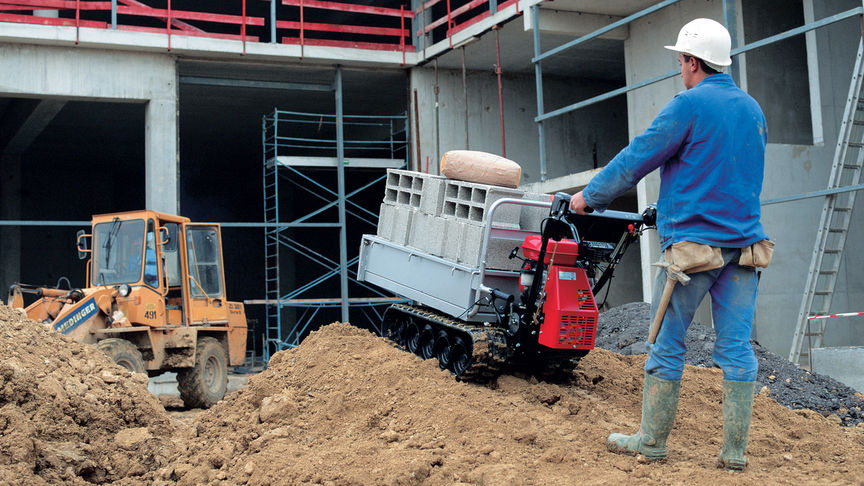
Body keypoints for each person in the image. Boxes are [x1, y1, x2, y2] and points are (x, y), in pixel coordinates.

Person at [569, 18, 771, 470]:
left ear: (693, 62)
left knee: (668, 343)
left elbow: (640, 156)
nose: (680, 68)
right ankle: (734, 455)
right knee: (737, 350)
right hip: (744, 250)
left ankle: (652, 442)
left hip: (694, 252)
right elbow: (733, 172)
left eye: (681, 60)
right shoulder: (753, 109)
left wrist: (590, 197)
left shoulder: (688, 105)